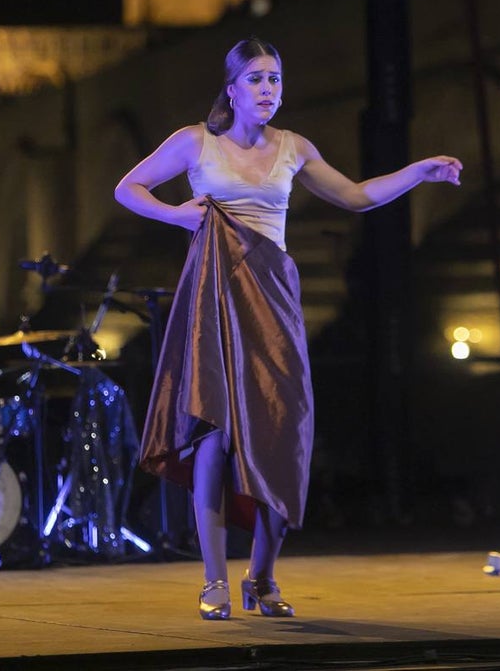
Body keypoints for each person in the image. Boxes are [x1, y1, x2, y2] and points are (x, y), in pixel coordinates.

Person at [114, 37, 462, 620]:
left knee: (284, 429)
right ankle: (214, 580)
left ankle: (263, 576)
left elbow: (354, 196)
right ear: (231, 88)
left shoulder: (294, 147)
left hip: (273, 297)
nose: (267, 89)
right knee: (216, 433)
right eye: (255, 78)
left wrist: (418, 171)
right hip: (217, 298)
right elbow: (128, 188)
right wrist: (175, 214)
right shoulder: (196, 141)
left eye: (275, 78)